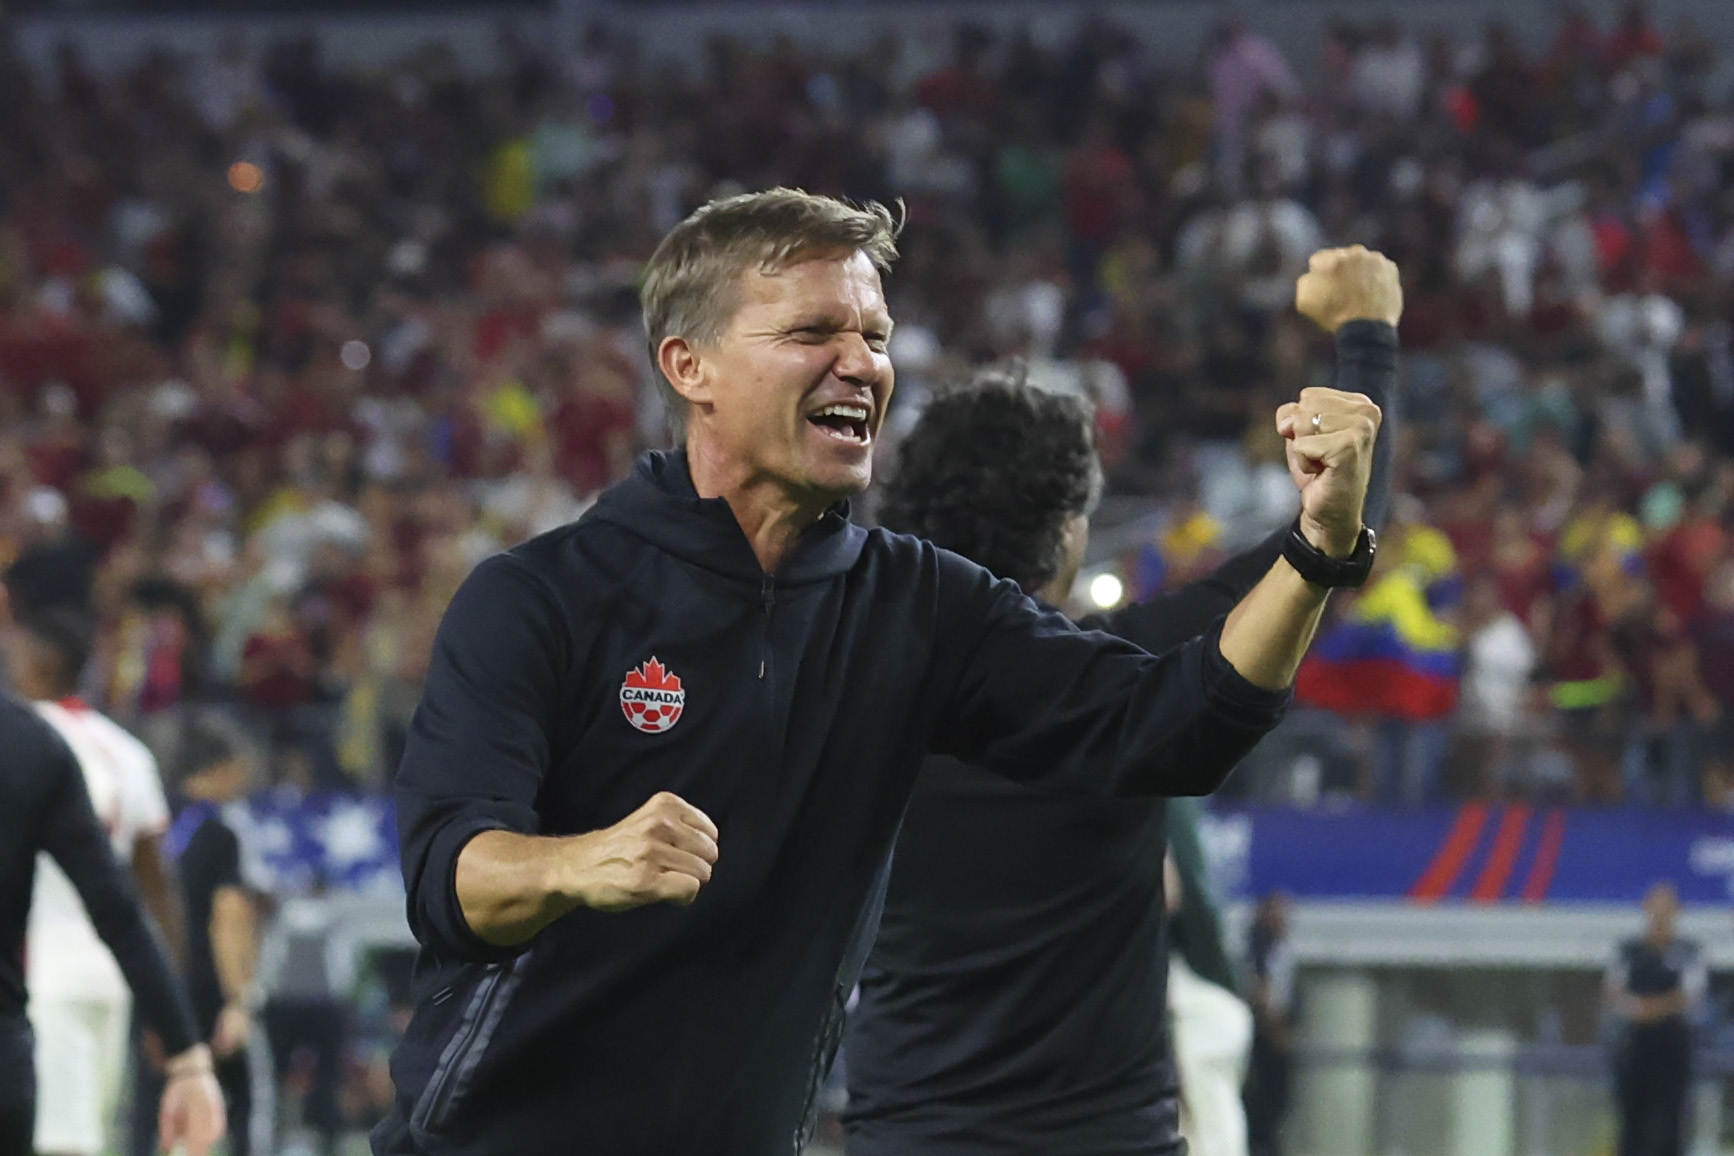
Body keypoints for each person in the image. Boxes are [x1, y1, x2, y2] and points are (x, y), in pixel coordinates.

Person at [377, 188, 1382, 1156]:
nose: (861, 363)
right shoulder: (543, 597)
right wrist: (577, 862)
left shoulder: (919, 606)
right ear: (692, 367)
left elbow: (1171, 724)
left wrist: (1316, 552)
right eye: (815, 332)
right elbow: (450, 878)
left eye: (877, 336)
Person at [843, 245, 1397, 1156]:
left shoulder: (857, 681)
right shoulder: (1118, 669)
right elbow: (1338, 528)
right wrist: (1367, 335)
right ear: (1067, 529)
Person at [0, 606, 226, 1156]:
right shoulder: (119, 750)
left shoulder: (38, 735)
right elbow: (142, 892)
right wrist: (176, 1027)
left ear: (38, 662)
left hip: (48, 975)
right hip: (107, 980)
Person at [133, 725, 261, 1156]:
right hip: (202, 989)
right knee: (239, 1104)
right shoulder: (221, 833)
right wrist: (238, 1001)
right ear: (220, 769)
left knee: (147, 1110)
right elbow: (228, 919)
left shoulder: (154, 822)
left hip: (146, 981)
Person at [1606, 881, 1704, 1156]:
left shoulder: (1688, 950)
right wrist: (1640, 1010)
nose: (1660, 913)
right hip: (1636, 1042)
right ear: (1646, 908)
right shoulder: (1629, 950)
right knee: (1632, 1117)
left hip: (1672, 1043)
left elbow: (1691, 993)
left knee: (1670, 1119)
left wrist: (1657, 1009)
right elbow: (1613, 990)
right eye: (1655, 906)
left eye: (1667, 907)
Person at [1243, 893, 1297, 1156]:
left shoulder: (1279, 948)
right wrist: (1273, 1025)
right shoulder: (1260, 946)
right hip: (1264, 1042)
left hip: (1273, 1040)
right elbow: (1261, 990)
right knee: (1264, 1111)